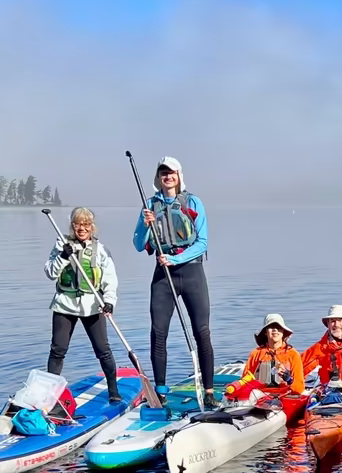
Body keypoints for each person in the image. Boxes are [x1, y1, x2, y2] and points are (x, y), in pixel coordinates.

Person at [132, 157, 216, 406]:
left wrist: (175, 258)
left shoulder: (192, 202)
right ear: (158, 178)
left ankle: (209, 392)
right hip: (163, 276)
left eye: (172, 173)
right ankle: (160, 392)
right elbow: (138, 244)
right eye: (163, 173)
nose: (168, 176)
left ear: (179, 176)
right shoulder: (150, 205)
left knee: (202, 332)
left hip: (191, 272)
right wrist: (144, 224)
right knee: (158, 333)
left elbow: (202, 242)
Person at [44, 207, 121, 402]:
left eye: (86, 224)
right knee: (58, 350)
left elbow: (110, 280)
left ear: (92, 227)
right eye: (78, 224)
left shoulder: (101, 250)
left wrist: (109, 302)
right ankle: (51, 396)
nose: (82, 228)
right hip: (64, 305)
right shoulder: (61, 245)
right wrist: (62, 257)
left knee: (103, 350)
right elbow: (50, 273)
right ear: (72, 226)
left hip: (92, 306)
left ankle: (113, 392)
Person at [242, 314, 305, 394]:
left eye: (278, 327)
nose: (275, 330)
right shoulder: (255, 354)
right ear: (265, 332)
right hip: (259, 396)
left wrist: (289, 379)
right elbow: (244, 382)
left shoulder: (293, 355)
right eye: (271, 327)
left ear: (283, 332)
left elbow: (299, 387)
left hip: (285, 396)